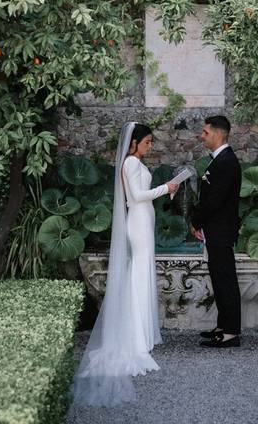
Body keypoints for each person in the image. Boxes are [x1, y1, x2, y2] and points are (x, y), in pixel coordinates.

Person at [71, 122, 178, 407]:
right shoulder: (130, 163)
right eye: (147, 142)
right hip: (138, 222)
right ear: (133, 144)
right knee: (139, 275)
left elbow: (145, 196)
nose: (150, 146)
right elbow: (136, 197)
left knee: (142, 274)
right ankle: (134, 336)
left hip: (145, 221)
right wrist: (163, 187)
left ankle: (141, 332)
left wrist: (168, 190)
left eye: (151, 142)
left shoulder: (135, 162)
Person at [190, 115, 243, 348]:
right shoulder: (219, 160)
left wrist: (195, 220)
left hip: (221, 230)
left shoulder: (226, 162)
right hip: (216, 230)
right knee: (219, 279)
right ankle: (223, 326)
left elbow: (214, 200)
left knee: (225, 280)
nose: (202, 136)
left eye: (205, 132)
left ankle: (230, 332)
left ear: (218, 134)